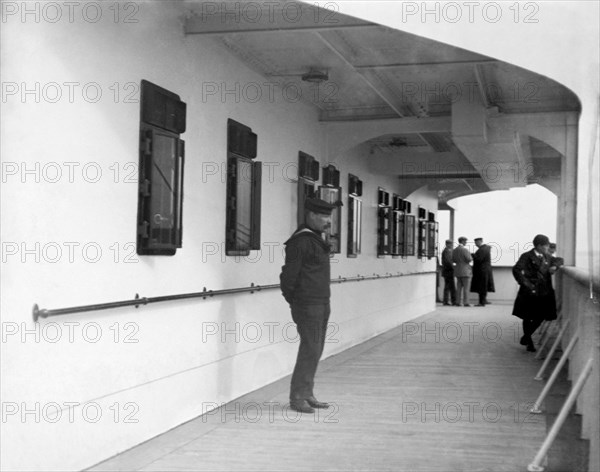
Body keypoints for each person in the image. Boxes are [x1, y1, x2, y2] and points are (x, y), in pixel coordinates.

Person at [280, 198, 337, 413]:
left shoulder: (315, 239)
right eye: (324, 216)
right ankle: (297, 397)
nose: (328, 221)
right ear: (311, 215)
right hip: (308, 304)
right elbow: (288, 276)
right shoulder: (301, 241)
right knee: (310, 349)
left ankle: (307, 392)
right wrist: (296, 300)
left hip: (322, 302)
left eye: (329, 216)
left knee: (316, 349)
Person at [512, 234, 561, 352]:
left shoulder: (547, 256)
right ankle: (529, 342)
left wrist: (554, 266)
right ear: (539, 246)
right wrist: (525, 283)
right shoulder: (527, 256)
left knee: (542, 316)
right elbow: (516, 269)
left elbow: (559, 260)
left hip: (544, 291)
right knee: (527, 317)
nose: (548, 248)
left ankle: (526, 336)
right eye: (546, 246)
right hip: (530, 291)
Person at [470, 237, 495, 306]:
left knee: (481, 286)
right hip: (486, 270)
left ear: (480, 241)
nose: (475, 244)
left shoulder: (482, 249)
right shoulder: (486, 248)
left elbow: (479, 259)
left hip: (481, 270)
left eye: (476, 242)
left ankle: (481, 302)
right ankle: (484, 300)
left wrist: (472, 255)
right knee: (484, 285)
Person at [452, 236, 472, 306]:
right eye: (465, 241)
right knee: (466, 288)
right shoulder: (465, 250)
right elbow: (469, 259)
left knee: (459, 288)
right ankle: (466, 302)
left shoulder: (454, 250)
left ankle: (458, 302)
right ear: (463, 241)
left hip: (458, 271)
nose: (466, 242)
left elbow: (453, 260)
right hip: (465, 271)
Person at [441, 239, 457, 306]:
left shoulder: (447, 251)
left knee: (447, 287)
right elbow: (448, 262)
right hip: (448, 271)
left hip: (447, 271)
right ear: (447, 244)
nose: (451, 245)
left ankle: (446, 301)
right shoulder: (447, 251)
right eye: (450, 244)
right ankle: (453, 301)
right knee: (451, 287)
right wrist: (453, 268)